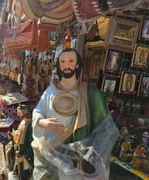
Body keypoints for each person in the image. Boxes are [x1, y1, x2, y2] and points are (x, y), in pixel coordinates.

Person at [31, 48, 119, 180]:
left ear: (77, 65)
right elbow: (38, 111)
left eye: (71, 61)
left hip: (77, 159)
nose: (66, 65)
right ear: (59, 66)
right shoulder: (51, 90)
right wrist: (42, 122)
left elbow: (105, 129)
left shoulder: (90, 93)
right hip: (52, 153)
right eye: (63, 62)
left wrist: (91, 156)